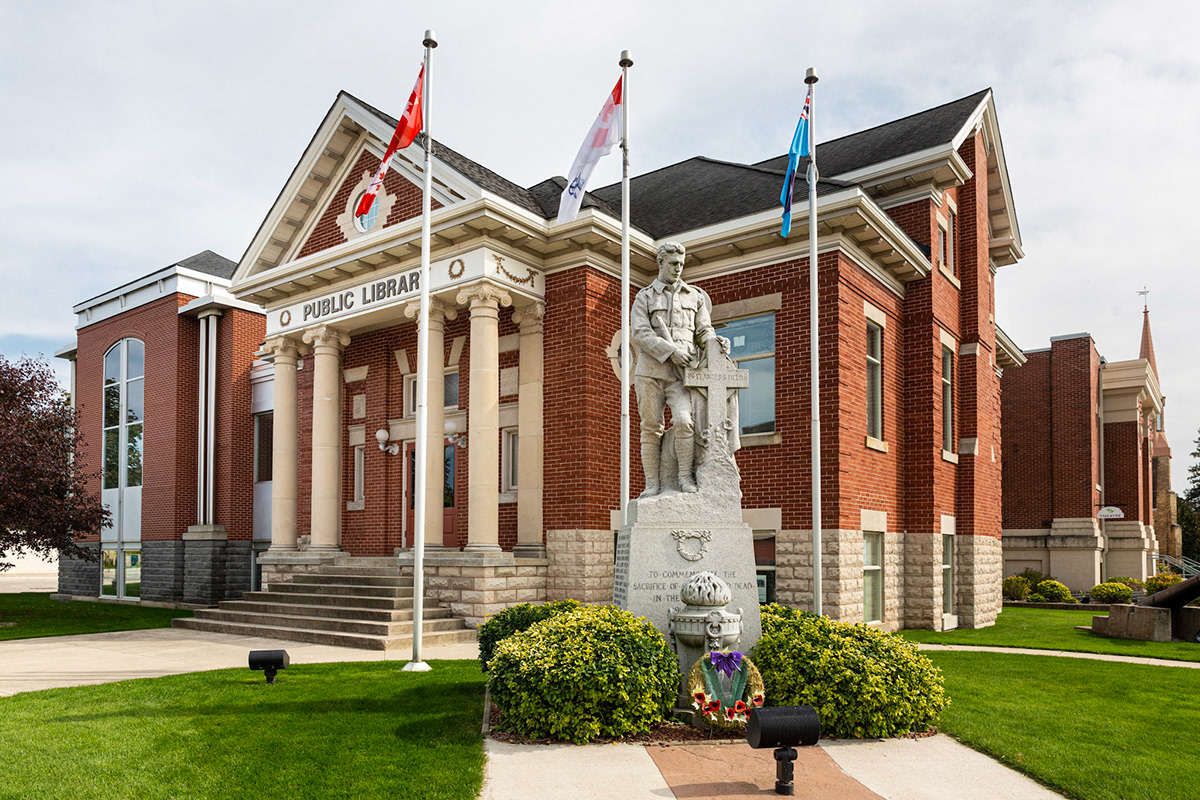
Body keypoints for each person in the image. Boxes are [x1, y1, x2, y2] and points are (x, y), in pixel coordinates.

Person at [631, 242, 721, 496]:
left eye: (681, 264)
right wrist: (671, 352)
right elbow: (640, 333)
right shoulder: (645, 297)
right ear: (660, 263)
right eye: (673, 264)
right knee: (651, 427)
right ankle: (652, 483)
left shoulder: (695, 296)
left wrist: (714, 342)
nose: (678, 269)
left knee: (684, 422)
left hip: (682, 375)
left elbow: (704, 330)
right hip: (651, 373)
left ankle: (684, 478)